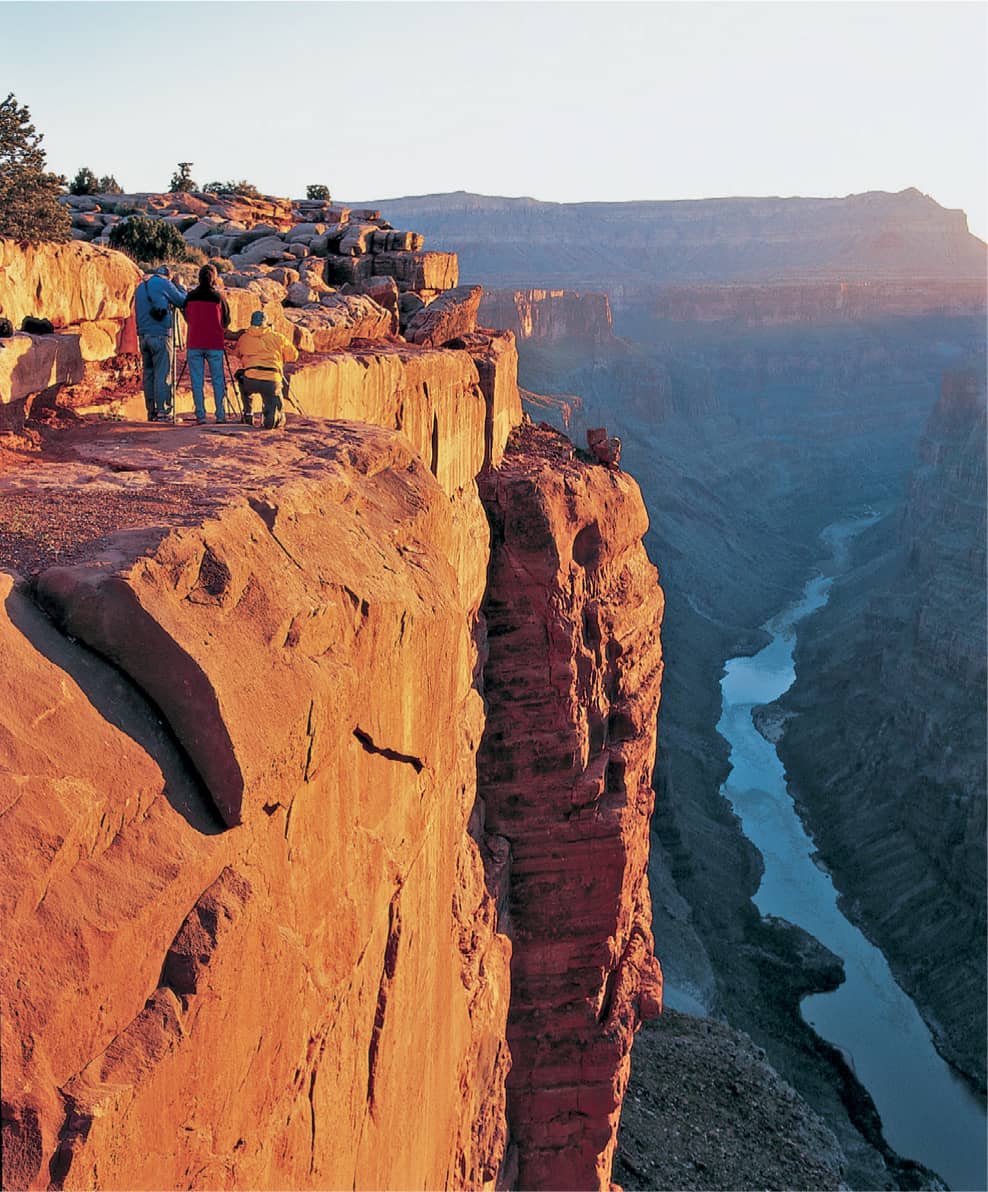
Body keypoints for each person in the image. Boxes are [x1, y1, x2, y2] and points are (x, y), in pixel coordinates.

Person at [134, 265, 187, 422]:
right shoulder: (165, 284)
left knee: (149, 374)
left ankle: (151, 412)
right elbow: (182, 301)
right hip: (160, 336)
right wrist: (181, 286)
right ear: (168, 276)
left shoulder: (140, 287)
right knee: (163, 374)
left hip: (143, 336)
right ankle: (164, 412)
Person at [183, 264, 231, 424]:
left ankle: (201, 415)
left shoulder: (190, 296)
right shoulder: (219, 297)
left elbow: (187, 317)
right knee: (218, 379)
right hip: (214, 343)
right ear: (214, 278)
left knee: (197, 381)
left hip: (194, 342)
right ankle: (220, 414)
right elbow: (226, 320)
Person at [235, 309, 298, 429]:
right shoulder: (278, 337)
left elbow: (238, 353)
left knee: (242, 379)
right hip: (271, 380)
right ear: (267, 323)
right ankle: (271, 418)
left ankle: (248, 413)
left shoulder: (244, 337)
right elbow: (293, 356)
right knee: (274, 399)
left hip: (251, 379)